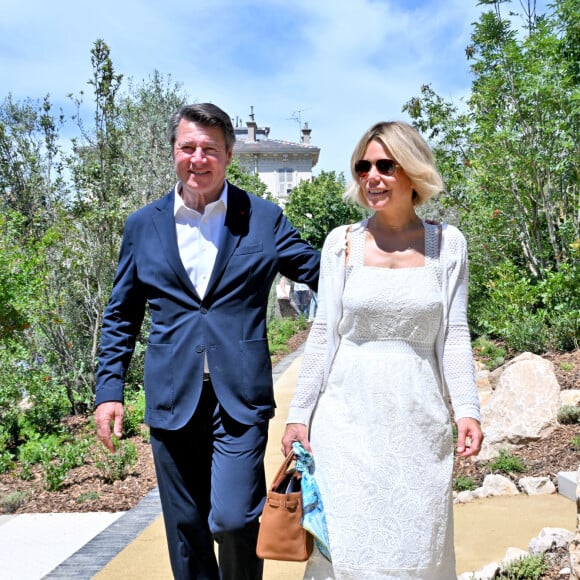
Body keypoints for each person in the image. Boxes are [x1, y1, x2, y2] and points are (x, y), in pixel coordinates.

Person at [94, 102, 320, 580]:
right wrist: (109, 392)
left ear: (229, 155)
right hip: (173, 396)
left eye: (210, 150)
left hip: (238, 398)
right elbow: (121, 314)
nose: (198, 159)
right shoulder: (143, 225)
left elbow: (321, 270)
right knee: (187, 527)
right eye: (188, 147)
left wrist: (376, 246)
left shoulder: (261, 218)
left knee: (235, 519)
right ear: (173, 151)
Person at [282, 121, 483, 579]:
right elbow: (323, 334)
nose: (371, 175)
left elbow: (453, 333)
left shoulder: (447, 244)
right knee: (349, 548)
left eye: (385, 165)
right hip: (346, 422)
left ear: (412, 172)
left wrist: (468, 408)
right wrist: (298, 416)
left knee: (419, 547)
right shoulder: (342, 244)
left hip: (420, 421)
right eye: (363, 166)